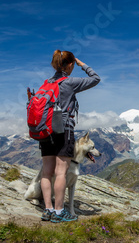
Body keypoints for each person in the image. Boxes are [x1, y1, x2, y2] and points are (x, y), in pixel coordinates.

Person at [40, 50, 100, 223]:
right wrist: (82, 65)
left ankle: (48, 210)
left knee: (46, 172)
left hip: (45, 131)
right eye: (73, 64)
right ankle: (59, 212)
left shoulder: (46, 83)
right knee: (61, 173)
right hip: (63, 129)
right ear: (70, 65)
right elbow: (96, 78)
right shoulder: (69, 82)